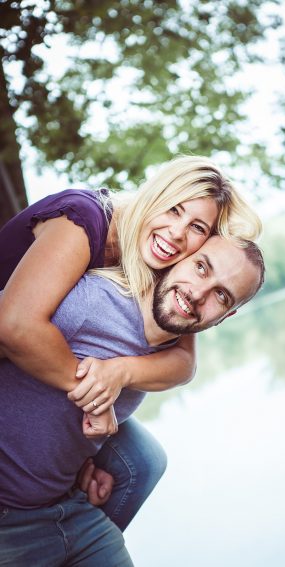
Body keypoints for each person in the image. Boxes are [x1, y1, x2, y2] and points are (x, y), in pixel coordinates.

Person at [0, 155, 262, 530]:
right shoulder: (85, 220)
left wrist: (120, 371)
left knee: (142, 462)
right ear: (153, 194)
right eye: (173, 209)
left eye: (196, 227)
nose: (176, 233)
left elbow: (184, 363)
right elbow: (14, 326)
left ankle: (73, 534)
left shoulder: (161, 264)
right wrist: (96, 398)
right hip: (9, 329)